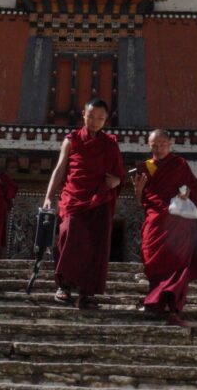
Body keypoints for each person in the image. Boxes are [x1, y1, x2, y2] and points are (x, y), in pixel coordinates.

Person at [132, 129, 197, 327]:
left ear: (170, 144)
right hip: (155, 222)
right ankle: (156, 302)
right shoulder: (144, 168)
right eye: (154, 145)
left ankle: (174, 309)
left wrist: (187, 193)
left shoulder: (180, 165)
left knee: (178, 266)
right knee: (153, 262)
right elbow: (141, 202)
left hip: (178, 224)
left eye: (162, 144)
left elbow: (194, 189)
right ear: (149, 145)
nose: (158, 149)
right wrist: (138, 190)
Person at [43, 98, 125, 308]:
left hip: (100, 201)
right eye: (91, 116)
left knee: (95, 246)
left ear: (106, 120)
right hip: (74, 197)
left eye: (100, 118)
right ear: (83, 115)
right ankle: (64, 285)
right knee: (67, 235)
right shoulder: (72, 140)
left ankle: (87, 294)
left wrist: (116, 181)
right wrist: (48, 196)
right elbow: (60, 169)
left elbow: (118, 175)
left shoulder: (110, 144)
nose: (95, 121)